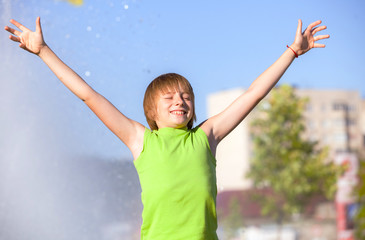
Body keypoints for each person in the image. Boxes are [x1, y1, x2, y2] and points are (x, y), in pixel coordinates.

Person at [4, 17, 329, 240]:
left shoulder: (207, 136)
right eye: (170, 97)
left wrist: (291, 53)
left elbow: (253, 94)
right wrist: (44, 51)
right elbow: (89, 95)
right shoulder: (140, 140)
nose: (180, 101)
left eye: (186, 96)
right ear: (151, 111)